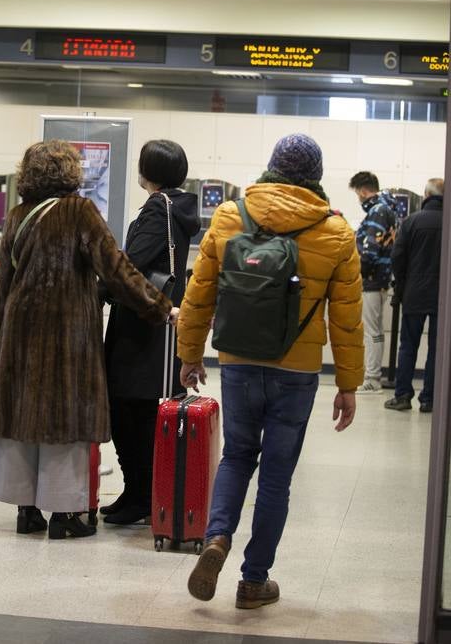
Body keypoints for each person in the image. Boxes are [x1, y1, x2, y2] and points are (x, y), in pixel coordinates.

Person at [177, 134, 363, 609]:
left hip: (238, 359)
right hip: (296, 371)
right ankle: (253, 581)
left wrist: (190, 355)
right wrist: (348, 384)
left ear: (271, 167)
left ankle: (217, 538)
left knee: (238, 456)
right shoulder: (336, 231)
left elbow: (199, 293)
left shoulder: (230, 214)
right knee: (276, 476)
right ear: (315, 176)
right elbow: (345, 316)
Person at [0, 140, 174, 540]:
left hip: (21, 330)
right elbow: (117, 270)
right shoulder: (80, 212)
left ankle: (27, 511)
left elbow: (3, 286)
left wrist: (7, 340)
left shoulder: (17, 215)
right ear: (71, 172)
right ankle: (66, 516)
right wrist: (159, 307)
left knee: (24, 418)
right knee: (65, 421)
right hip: (68, 335)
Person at [103, 140, 200, 526]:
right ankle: (137, 491)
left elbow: (131, 264)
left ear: (147, 172)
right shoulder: (178, 207)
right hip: (157, 322)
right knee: (139, 408)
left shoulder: (159, 209)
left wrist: (102, 285)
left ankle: (141, 494)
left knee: (130, 408)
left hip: (142, 323)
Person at [384, 178, 444, 414]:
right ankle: (429, 399)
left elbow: (397, 258)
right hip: (443, 298)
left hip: (414, 293)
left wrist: (402, 285)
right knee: (437, 349)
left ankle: (402, 396)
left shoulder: (411, 221)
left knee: (408, 346)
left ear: (426, 195)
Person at [349, 171, 398, 394]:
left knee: (372, 330)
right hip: (380, 277)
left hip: (372, 279)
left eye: (357, 194)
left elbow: (369, 250)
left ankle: (372, 378)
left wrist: (360, 272)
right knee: (375, 330)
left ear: (362, 191)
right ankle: (373, 376)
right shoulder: (386, 209)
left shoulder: (378, 211)